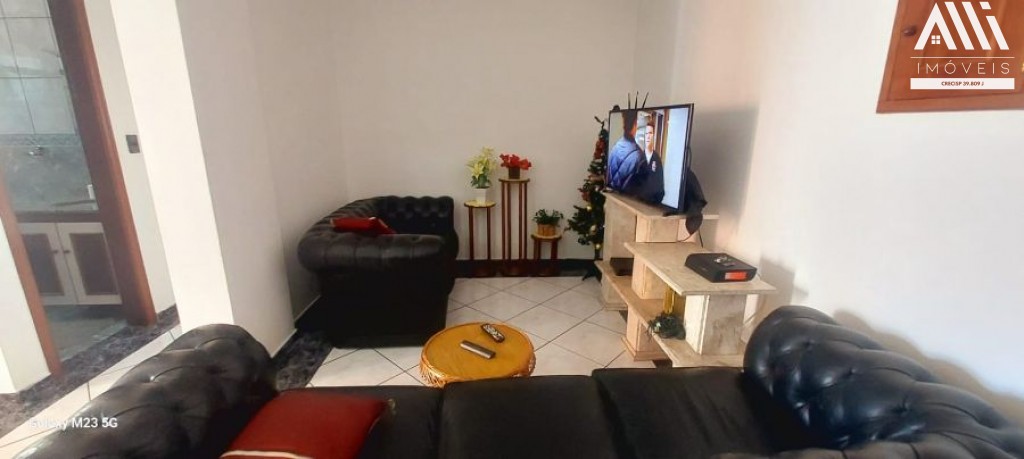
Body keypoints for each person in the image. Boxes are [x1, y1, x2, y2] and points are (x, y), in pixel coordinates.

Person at [607, 110, 643, 191]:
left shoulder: (615, 147)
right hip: (626, 197)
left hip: (613, 194)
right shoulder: (639, 155)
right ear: (635, 124)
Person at [633, 116, 665, 203]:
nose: (648, 136)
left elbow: (660, 188)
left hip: (652, 204)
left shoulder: (657, 159)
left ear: (654, 136)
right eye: (646, 133)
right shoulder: (638, 157)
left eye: (650, 133)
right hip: (636, 201)